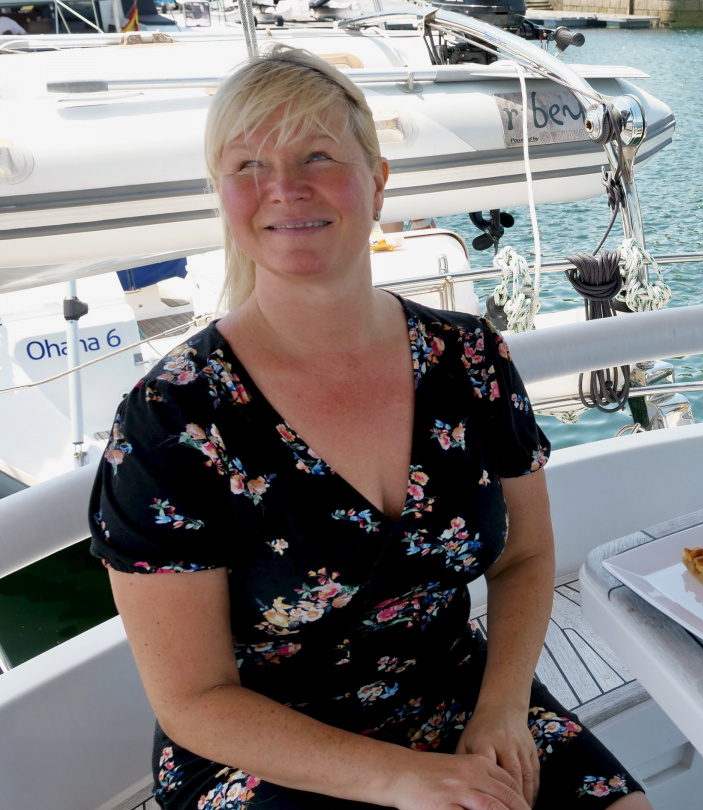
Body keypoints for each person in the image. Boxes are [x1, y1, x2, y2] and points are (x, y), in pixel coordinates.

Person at [90, 45, 650, 810]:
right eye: (248, 164)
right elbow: (193, 699)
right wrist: (407, 781)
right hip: (268, 749)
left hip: (458, 693)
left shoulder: (470, 357)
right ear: (222, 192)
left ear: (377, 182)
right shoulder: (174, 418)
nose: (284, 187)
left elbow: (524, 557)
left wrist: (502, 708)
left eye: (318, 154)